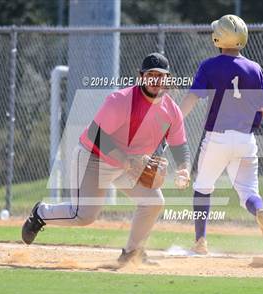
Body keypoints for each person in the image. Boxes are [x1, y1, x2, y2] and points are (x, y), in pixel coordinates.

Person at [22, 53, 190, 265]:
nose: (156, 80)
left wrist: (184, 168)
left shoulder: (171, 111)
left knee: (153, 202)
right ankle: (41, 213)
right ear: (141, 77)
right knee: (83, 216)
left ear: (168, 79)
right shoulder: (121, 101)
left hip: (127, 164)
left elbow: (179, 145)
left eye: (161, 75)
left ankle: (132, 252)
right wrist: (129, 162)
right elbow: (96, 134)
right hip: (93, 157)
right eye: (151, 75)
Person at [180, 15, 263, 255]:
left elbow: (193, 98)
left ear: (219, 38)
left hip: (217, 137)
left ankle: (201, 241)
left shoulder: (209, 66)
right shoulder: (255, 68)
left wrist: (175, 119)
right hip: (247, 140)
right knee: (248, 192)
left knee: (203, 187)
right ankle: (258, 211)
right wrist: (251, 123)